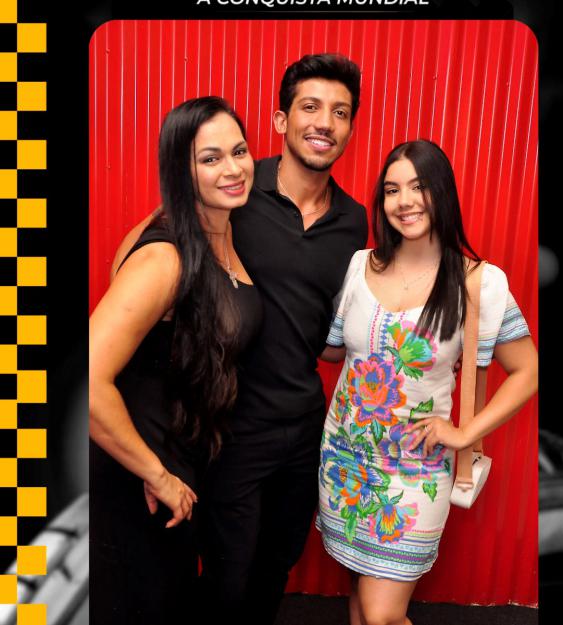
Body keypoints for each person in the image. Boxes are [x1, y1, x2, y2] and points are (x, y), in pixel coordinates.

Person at [317, 140, 538, 625]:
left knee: (381, 614)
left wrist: (464, 433)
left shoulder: (479, 283)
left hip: (414, 472)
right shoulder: (359, 265)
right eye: (392, 189)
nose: (405, 201)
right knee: (360, 598)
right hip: (344, 462)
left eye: (418, 187)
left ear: (443, 193)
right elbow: (333, 348)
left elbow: (528, 371)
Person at [198, 53, 369, 624]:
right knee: (227, 574)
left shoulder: (354, 220)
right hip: (233, 426)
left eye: (340, 112)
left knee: (276, 565)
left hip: (305, 427)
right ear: (281, 120)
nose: (325, 122)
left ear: (350, 128)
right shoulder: (239, 189)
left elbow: (331, 326)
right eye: (311, 107)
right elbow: (165, 239)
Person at [89, 96, 262, 625]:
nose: (233, 168)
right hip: (141, 472)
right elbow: (86, 383)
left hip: (183, 459)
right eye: (210, 158)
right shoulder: (164, 257)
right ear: (181, 171)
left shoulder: (219, 231)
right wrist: (155, 472)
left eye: (239, 151)